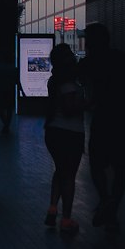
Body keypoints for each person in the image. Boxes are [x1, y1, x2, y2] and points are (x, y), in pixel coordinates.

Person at [79, 24, 125, 230]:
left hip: (102, 117)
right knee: (120, 168)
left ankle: (105, 199)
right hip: (123, 117)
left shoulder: (90, 62)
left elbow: (75, 78)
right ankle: (113, 207)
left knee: (96, 164)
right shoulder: (122, 59)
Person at [44, 42, 86, 233]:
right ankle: (66, 218)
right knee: (69, 176)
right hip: (70, 133)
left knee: (60, 171)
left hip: (53, 130)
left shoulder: (54, 81)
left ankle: (53, 209)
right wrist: (88, 103)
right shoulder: (69, 83)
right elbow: (70, 109)